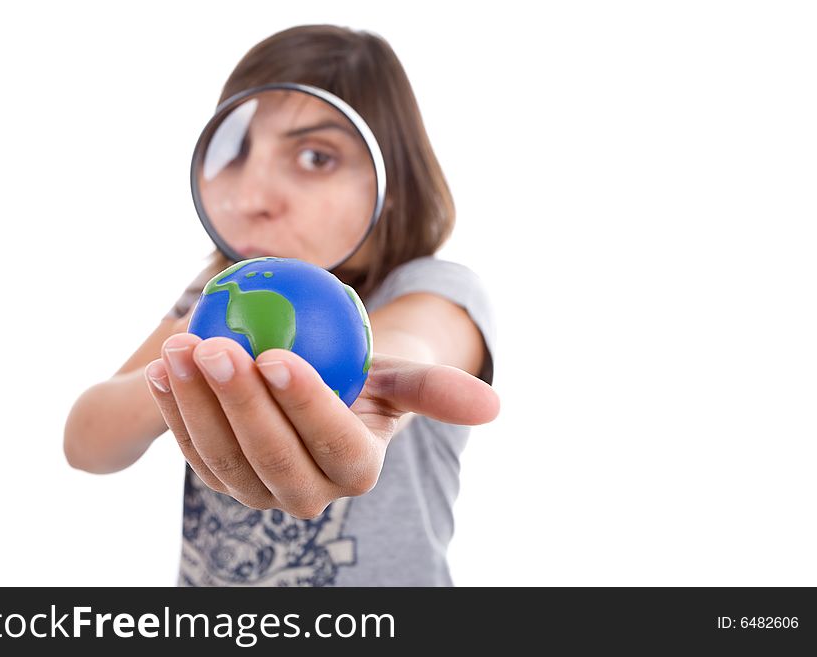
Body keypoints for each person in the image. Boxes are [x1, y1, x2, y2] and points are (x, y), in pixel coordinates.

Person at [63, 24, 499, 586]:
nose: (251, 195)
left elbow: (414, 338)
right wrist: (191, 370)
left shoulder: (435, 288)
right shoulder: (215, 294)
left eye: (316, 156)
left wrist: (353, 371)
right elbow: (86, 442)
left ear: (394, 188)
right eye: (237, 151)